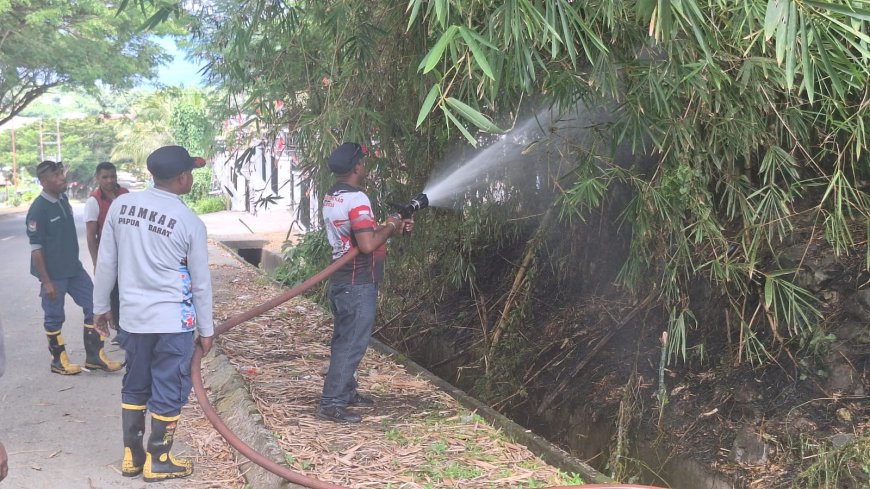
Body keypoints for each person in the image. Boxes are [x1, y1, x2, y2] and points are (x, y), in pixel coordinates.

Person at [92, 145, 214, 481]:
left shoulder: (123, 205)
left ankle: (133, 456)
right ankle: (158, 459)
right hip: (173, 321)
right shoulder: (190, 222)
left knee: (135, 382)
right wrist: (207, 329)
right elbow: (201, 283)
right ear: (182, 178)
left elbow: (107, 262)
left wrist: (100, 307)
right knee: (169, 386)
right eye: (190, 172)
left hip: (132, 318)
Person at [317, 142, 413, 424]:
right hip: (358, 281)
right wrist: (392, 225)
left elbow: (361, 235)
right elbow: (368, 244)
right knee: (352, 343)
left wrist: (391, 227)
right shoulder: (357, 199)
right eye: (363, 161)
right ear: (357, 167)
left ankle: (346, 393)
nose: (365, 165)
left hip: (344, 280)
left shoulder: (333, 196)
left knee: (344, 339)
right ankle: (331, 403)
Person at [25, 160, 122, 375]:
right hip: (54, 275)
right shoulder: (38, 209)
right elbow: (36, 249)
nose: (62, 178)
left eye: (62, 174)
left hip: (74, 270)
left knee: (95, 306)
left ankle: (95, 357)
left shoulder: (62, 199)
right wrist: (47, 281)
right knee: (54, 316)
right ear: (43, 181)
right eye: (56, 176)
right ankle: (58, 361)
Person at [84, 162, 129, 345]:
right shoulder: (93, 201)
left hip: (127, 252)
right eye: (105, 177)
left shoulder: (125, 194)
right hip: (108, 254)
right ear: (98, 178)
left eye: (112, 176)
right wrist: (96, 262)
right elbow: (91, 235)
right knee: (113, 292)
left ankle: (129, 328)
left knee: (127, 290)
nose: (110, 180)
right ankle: (119, 330)